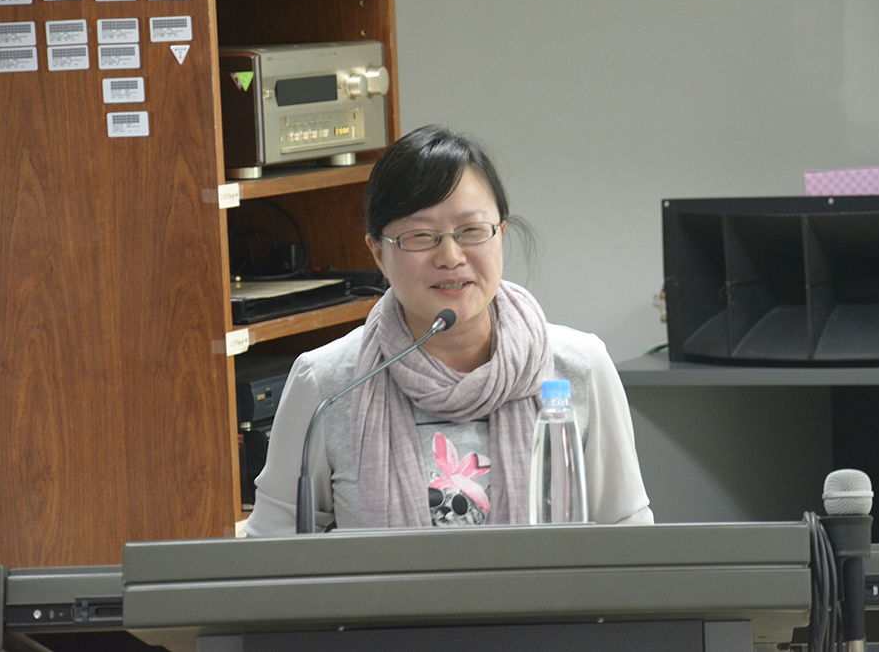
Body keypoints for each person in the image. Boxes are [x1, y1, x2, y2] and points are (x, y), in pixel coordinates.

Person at [244, 125, 653, 535]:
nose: (451, 256)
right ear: (378, 252)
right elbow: (274, 551)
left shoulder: (580, 367)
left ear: (501, 235)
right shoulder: (326, 384)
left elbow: (628, 540)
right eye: (421, 236)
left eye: (471, 231)